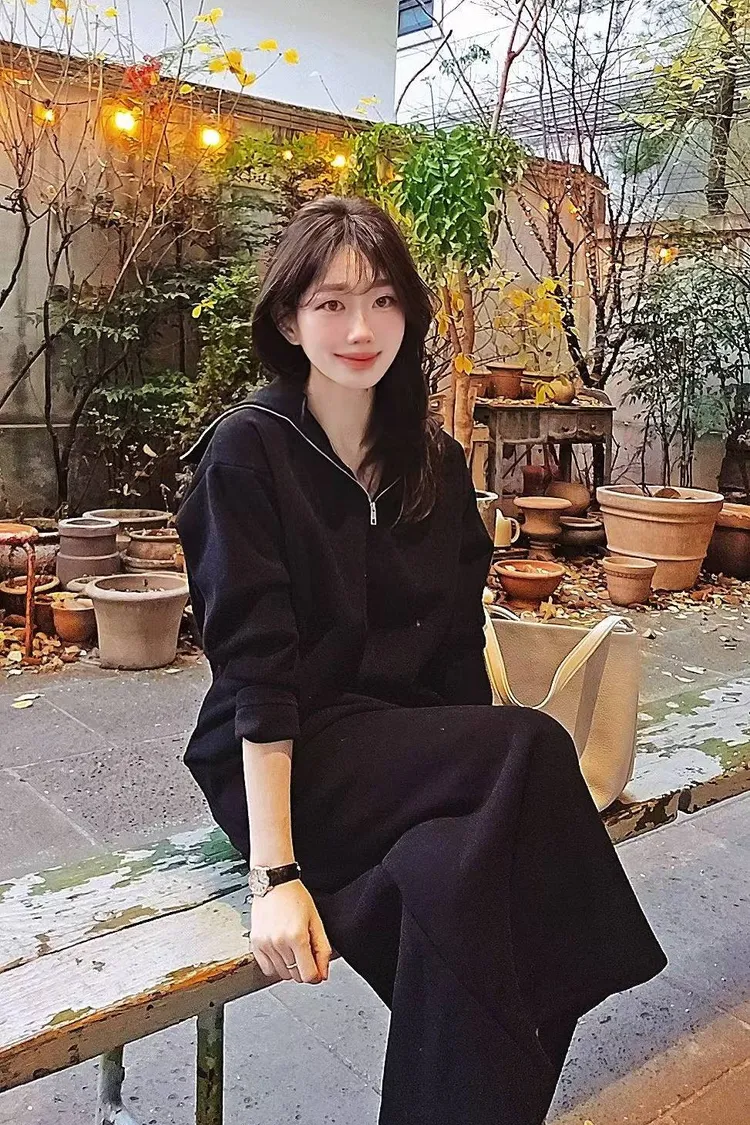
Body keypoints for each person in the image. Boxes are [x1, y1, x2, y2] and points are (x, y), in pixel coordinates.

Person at [175, 195, 666, 1125]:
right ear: (290, 321)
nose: (360, 329)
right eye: (330, 304)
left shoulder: (432, 463)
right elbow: (257, 676)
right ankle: (573, 970)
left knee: (451, 881)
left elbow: (449, 656)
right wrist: (276, 877)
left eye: (382, 300)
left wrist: (476, 804)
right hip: (288, 761)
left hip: (413, 757)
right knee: (529, 750)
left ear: (408, 312)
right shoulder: (249, 453)